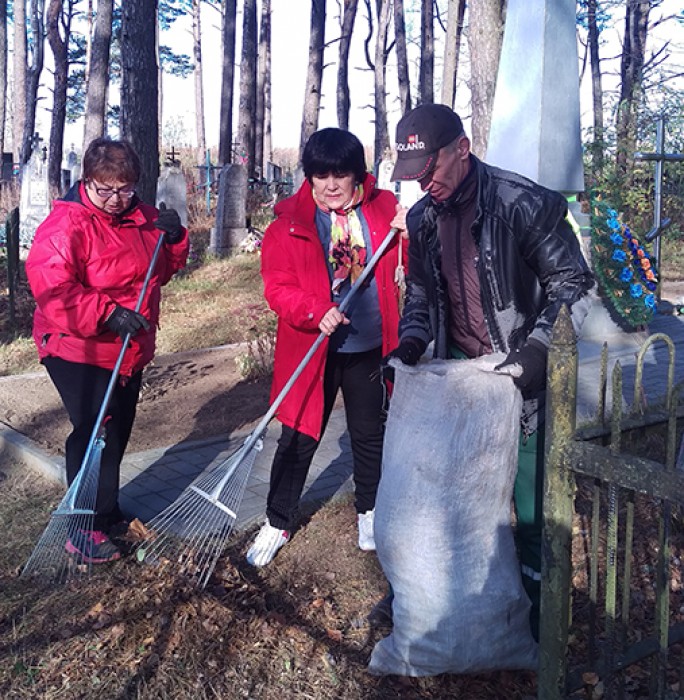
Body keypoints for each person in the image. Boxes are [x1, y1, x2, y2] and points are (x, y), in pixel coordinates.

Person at [382, 103, 595, 638]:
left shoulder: (521, 205)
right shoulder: (423, 219)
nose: (423, 184)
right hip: (462, 372)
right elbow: (424, 293)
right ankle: (453, 595)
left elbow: (575, 285)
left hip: (522, 371)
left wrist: (538, 352)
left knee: (528, 502)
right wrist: (412, 339)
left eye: (430, 169)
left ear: (463, 149)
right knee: (453, 488)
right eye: (413, 175)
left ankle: (541, 610)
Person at [246, 127, 407, 567]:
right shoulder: (289, 225)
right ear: (310, 177)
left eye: (341, 174)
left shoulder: (386, 209)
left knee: (369, 433)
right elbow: (277, 288)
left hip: (370, 345)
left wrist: (412, 232)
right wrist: (314, 309)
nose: (331, 185)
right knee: (298, 436)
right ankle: (277, 520)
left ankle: (370, 511)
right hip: (312, 347)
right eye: (321, 175)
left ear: (358, 174)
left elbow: (410, 262)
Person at [25, 137, 189, 564]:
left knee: (117, 431)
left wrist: (174, 239)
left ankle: (107, 510)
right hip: (75, 345)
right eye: (106, 190)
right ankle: (80, 527)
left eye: (125, 188)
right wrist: (107, 313)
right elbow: (53, 289)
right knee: (93, 432)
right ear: (87, 182)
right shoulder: (66, 226)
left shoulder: (144, 218)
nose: (116, 199)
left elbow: (164, 270)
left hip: (127, 346)